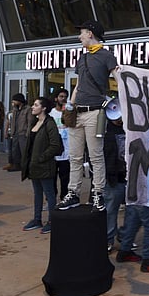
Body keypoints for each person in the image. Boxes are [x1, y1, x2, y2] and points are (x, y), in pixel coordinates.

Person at [55, 20, 118, 212]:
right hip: (78, 112)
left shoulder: (107, 56)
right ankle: (73, 193)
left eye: (82, 33)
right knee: (74, 156)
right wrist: (70, 107)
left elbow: (119, 79)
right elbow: (79, 84)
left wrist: (121, 104)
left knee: (95, 156)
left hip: (96, 113)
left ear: (90, 33)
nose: (79, 36)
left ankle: (98, 193)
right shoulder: (82, 58)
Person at [21, 97, 63, 234]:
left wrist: (41, 158)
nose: (33, 107)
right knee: (37, 193)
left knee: (49, 194)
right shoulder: (35, 121)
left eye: (36, 105)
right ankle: (37, 219)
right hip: (33, 166)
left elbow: (55, 145)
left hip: (44, 166)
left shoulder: (49, 124)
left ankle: (52, 221)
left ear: (43, 108)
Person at [115, 203, 149, 273]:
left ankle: (124, 251)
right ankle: (148, 259)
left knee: (132, 222)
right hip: (147, 200)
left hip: (133, 198)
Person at [103, 109, 127, 253]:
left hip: (127, 175)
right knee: (111, 210)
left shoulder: (128, 129)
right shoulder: (106, 133)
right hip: (113, 177)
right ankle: (108, 239)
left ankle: (124, 236)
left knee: (132, 211)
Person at [49, 89, 70, 200]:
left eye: (65, 96)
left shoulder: (69, 112)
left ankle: (64, 198)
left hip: (66, 150)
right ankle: (51, 199)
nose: (63, 99)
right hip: (54, 150)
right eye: (61, 96)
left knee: (65, 178)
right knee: (52, 178)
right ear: (56, 98)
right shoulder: (51, 113)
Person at [5, 93, 32, 172]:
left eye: (15, 100)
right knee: (15, 151)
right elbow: (11, 121)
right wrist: (11, 132)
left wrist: (28, 133)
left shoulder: (28, 109)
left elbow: (30, 122)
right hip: (15, 132)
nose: (13, 102)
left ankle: (26, 166)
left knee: (24, 151)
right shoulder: (15, 109)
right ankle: (16, 165)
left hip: (23, 133)